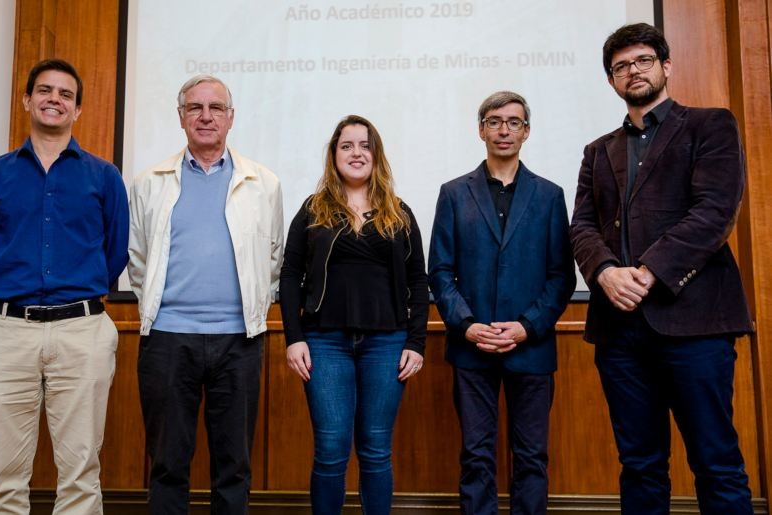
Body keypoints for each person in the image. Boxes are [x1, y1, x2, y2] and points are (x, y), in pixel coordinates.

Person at [569, 22, 754, 514]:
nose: (632, 71)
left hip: (694, 325)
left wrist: (648, 272)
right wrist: (606, 272)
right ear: (611, 80)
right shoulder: (597, 151)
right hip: (619, 333)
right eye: (621, 66)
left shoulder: (711, 125)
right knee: (640, 465)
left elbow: (715, 211)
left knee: (716, 462)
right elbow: (582, 226)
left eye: (642, 61)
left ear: (665, 66)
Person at [0, 58, 129, 514]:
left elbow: (114, 253)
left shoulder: (104, 176)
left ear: (77, 110)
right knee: (4, 476)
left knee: (80, 472)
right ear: (26, 100)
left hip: (82, 332)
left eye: (66, 94)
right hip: (5, 334)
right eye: (45, 90)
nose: (54, 98)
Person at [127, 74, 283, 514]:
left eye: (216, 108)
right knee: (167, 464)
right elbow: (137, 258)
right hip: (167, 340)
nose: (206, 116)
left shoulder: (264, 183)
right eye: (195, 108)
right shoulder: (149, 182)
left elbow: (274, 255)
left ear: (231, 118)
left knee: (234, 466)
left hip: (239, 342)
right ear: (181, 118)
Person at [428, 91, 575, 515]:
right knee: (476, 456)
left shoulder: (549, 195)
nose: (504, 130)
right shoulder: (454, 193)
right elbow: (440, 270)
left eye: (513, 122)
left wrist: (526, 326)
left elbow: (561, 275)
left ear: (526, 131)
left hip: (531, 347)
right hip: (471, 348)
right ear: (481, 130)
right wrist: (467, 325)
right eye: (494, 121)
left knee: (531, 458)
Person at [279, 115, 428, 515]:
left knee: (376, 449)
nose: (356, 153)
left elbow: (419, 280)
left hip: (387, 343)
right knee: (330, 448)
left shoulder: (400, 213)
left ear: (376, 155)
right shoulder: (313, 210)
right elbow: (290, 274)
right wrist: (294, 337)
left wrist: (416, 342)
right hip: (325, 343)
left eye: (365, 145)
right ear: (334, 155)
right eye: (347, 146)